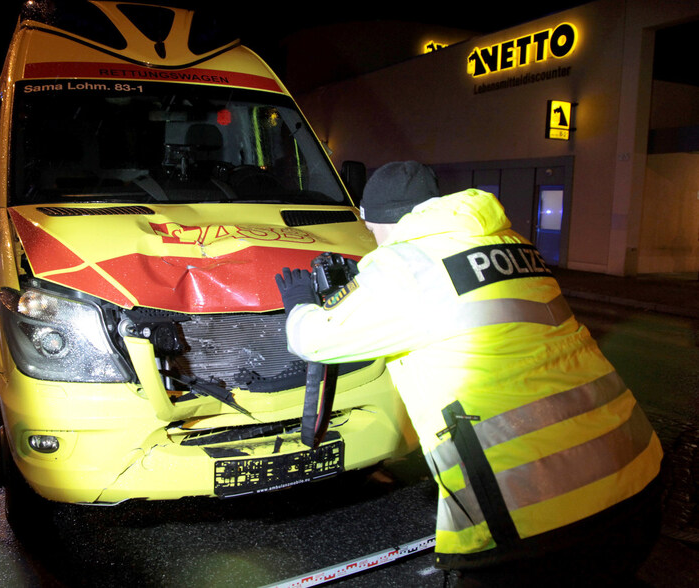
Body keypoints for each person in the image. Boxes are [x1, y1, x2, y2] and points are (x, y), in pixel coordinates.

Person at [275, 161, 663, 586]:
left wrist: (299, 302)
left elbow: (315, 339)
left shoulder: (405, 266)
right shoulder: (514, 244)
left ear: (375, 219)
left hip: (537, 516)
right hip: (634, 476)